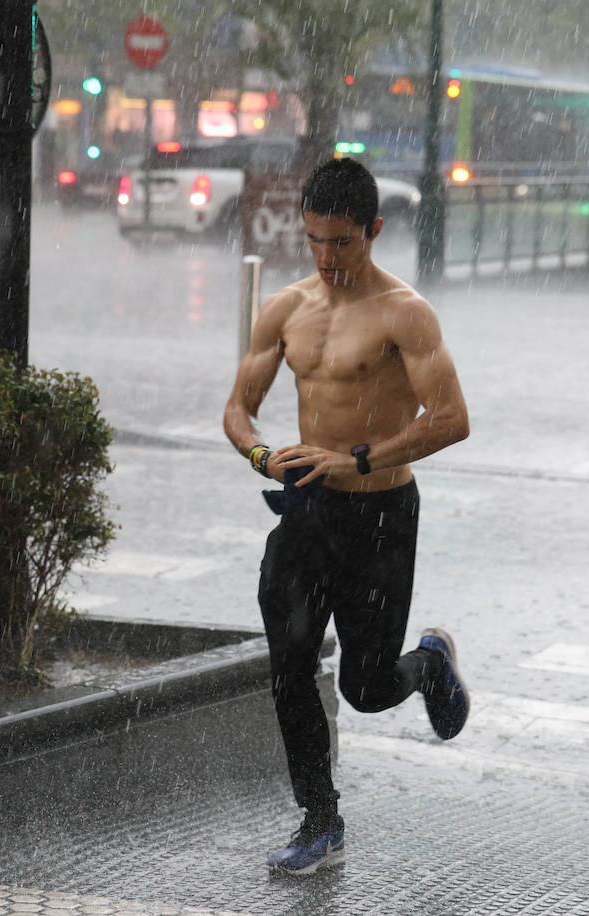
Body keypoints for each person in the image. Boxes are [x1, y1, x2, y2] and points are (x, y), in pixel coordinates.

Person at [222, 158, 472, 877]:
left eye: (343, 243)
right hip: (307, 514)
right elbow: (238, 408)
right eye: (315, 241)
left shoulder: (404, 313)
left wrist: (358, 459)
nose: (328, 259)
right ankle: (320, 819)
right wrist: (263, 455)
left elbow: (452, 418)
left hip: (381, 513)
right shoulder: (287, 309)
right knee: (290, 670)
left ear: (374, 231)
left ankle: (426, 665)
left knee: (363, 689)